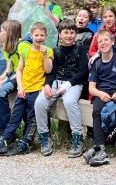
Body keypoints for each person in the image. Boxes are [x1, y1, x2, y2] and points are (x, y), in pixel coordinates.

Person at [0, 22, 53, 156]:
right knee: (15, 115)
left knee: (32, 118)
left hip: (37, 88)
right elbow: (19, 70)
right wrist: (20, 86)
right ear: (31, 35)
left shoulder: (48, 51)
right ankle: (4, 141)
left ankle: (25, 143)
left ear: (46, 36)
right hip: (24, 88)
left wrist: (44, 55)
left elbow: (48, 70)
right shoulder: (25, 51)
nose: (39, 38)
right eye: (36, 35)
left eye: (42, 35)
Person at [35, 19, 89, 158]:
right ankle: (44, 136)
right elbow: (52, 72)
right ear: (60, 34)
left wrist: (69, 83)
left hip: (74, 82)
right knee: (39, 102)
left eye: (72, 32)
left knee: (69, 102)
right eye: (66, 32)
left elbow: (84, 71)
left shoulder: (80, 49)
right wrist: (47, 85)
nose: (69, 35)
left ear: (75, 34)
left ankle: (77, 137)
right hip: (56, 81)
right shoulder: (56, 50)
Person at [84, 30, 116, 167]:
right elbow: (91, 88)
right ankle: (101, 149)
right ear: (97, 45)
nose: (103, 43)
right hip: (101, 93)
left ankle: (98, 147)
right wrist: (99, 94)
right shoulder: (96, 63)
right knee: (97, 112)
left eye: (106, 40)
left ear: (112, 42)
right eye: (100, 41)